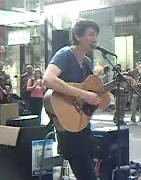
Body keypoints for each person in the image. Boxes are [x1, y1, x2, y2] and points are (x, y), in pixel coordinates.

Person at [43, 19, 101, 180]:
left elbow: (92, 95)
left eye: (96, 35)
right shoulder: (65, 54)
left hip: (83, 125)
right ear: (77, 35)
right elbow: (48, 79)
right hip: (68, 129)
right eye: (91, 34)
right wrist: (83, 95)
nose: (95, 39)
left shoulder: (88, 63)